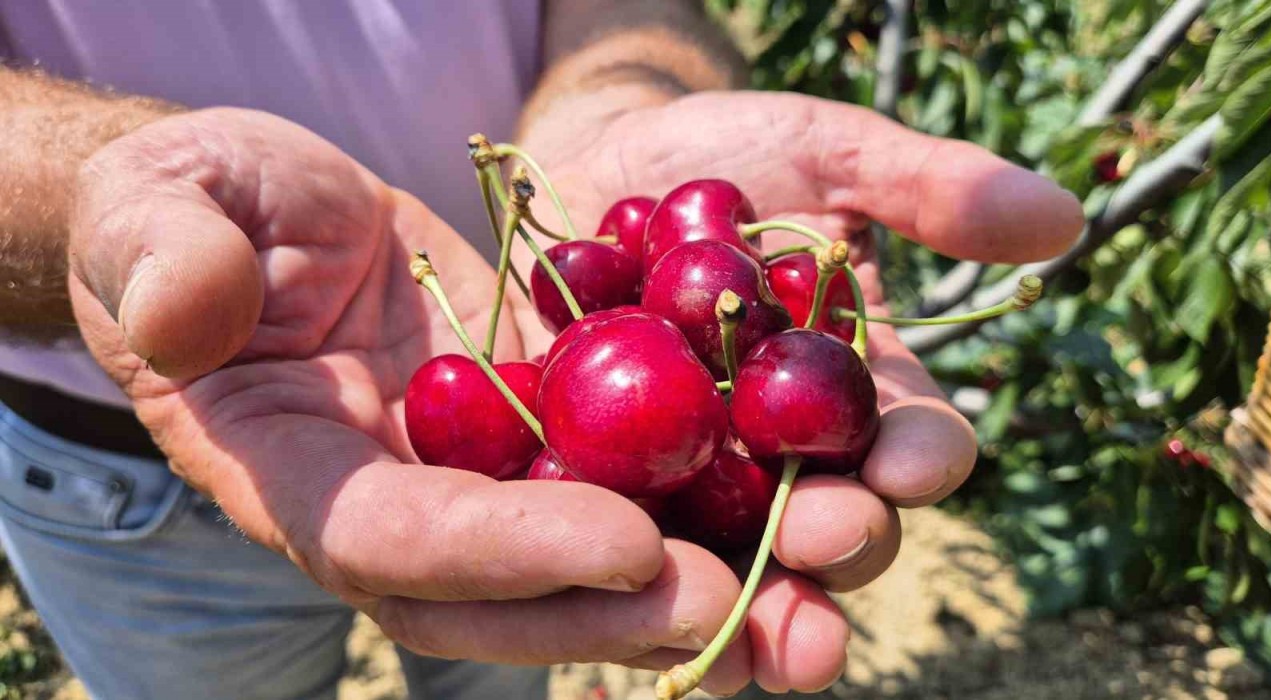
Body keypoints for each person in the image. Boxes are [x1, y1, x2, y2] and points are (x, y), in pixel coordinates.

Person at [0, 1, 1084, 698]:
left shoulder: (664, 365)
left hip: (515, 464)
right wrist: (107, 178)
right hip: (113, 483)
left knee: (514, 645)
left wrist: (621, 89)